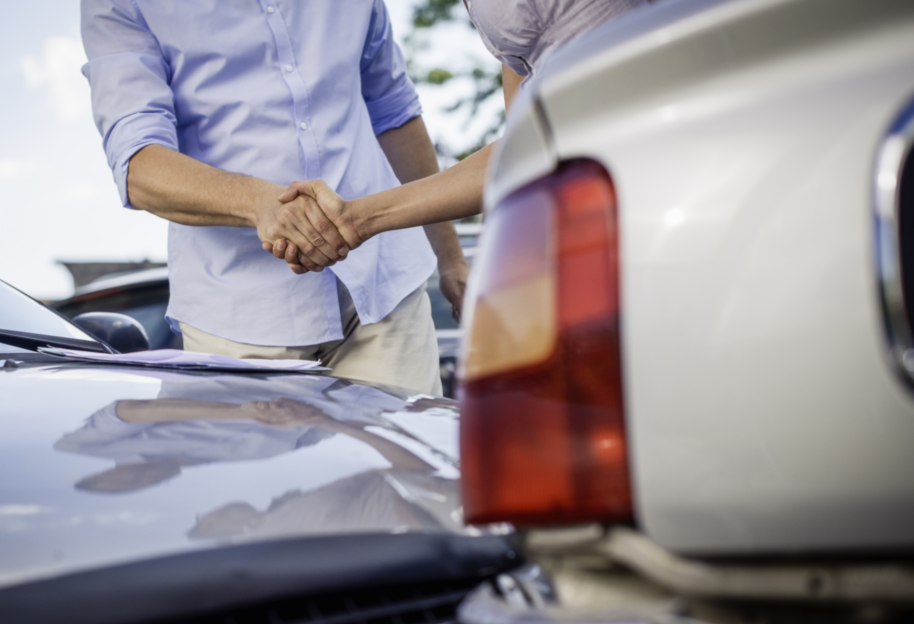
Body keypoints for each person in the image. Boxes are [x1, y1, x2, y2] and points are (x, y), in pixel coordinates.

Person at [80, 1, 469, 395]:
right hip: (238, 326)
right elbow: (139, 166)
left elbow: (393, 111)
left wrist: (450, 258)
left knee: (411, 456)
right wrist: (257, 202)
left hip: (386, 295)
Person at [271, 0, 647, 270]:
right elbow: (526, 136)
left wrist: (358, 218)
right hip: (587, 192)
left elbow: (584, 117)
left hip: (653, 154)